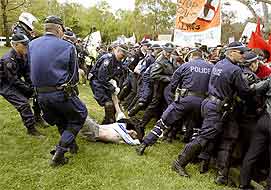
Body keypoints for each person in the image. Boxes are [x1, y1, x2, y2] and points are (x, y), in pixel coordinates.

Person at [171, 42, 252, 180]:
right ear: (232, 52)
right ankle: (179, 162)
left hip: (211, 104)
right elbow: (245, 92)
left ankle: (222, 176)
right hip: (218, 108)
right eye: (241, 53)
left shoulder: (219, 64)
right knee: (204, 137)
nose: (244, 56)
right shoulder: (235, 70)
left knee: (228, 136)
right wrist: (255, 87)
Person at [29, 16, 88, 167]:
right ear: (60, 29)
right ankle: (60, 152)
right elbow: (74, 77)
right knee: (80, 114)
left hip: (40, 96)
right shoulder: (68, 46)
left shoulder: (32, 44)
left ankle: (71, 145)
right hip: (59, 93)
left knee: (61, 119)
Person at [136, 48, 213, 155]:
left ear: (191, 57)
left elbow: (173, 84)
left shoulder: (185, 66)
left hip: (185, 99)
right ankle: (192, 156)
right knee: (196, 128)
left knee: (163, 122)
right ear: (201, 56)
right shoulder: (211, 67)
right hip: (202, 102)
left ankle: (144, 144)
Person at [0, 33, 41, 136]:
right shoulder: (8, 59)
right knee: (23, 104)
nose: (27, 46)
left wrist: (32, 86)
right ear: (16, 45)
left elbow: (27, 73)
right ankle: (31, 129)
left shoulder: (24, 55)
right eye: (24, 44)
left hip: (14, 80)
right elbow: (13, 80)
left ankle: (38, 118)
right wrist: (28, 90)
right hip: (5, 84)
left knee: (37, 94)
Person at [89, 44, 130, 124]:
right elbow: (101, 77)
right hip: (97, 82)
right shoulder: (108, 59)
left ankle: (106, 122)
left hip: (107, 83)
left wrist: (116, 86)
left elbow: (117, 75)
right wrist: (113, 88)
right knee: (109, 104)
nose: (123, 57)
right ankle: (110, 122)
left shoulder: (118, 62)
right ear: (117, 51)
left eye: (125, 56)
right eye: (122, 55)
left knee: (115, 105)